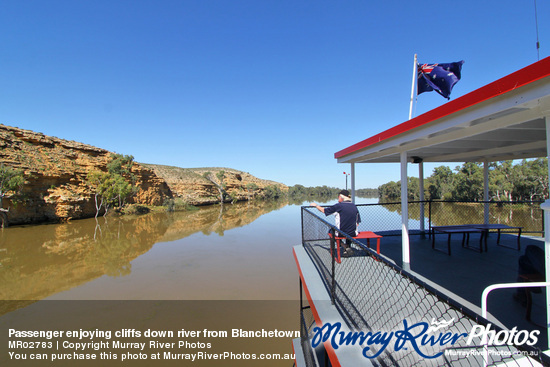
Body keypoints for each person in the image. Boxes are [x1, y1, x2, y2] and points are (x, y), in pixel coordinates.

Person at [310, 190, 361, 257]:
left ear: (341, 197)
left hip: (341, 233)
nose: (338, 198)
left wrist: (316, 205)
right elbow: (357, 223)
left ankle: (344, 246)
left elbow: (324, 210)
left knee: (331, 231)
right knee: (348, 231)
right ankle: (347, 248)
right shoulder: (354, 206)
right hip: (353, 232)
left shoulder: (339, 206)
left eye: (338, 197)